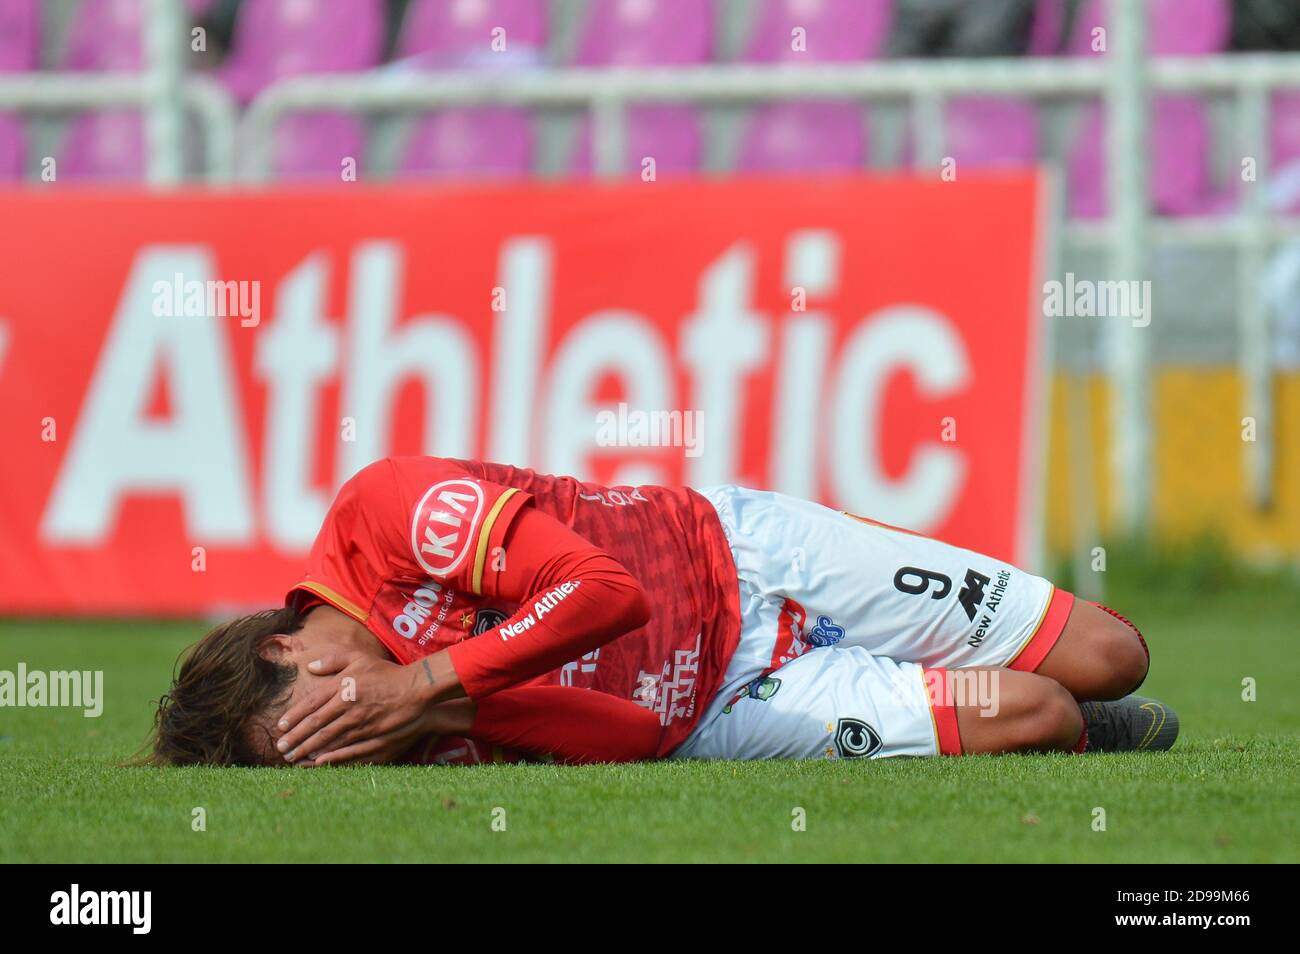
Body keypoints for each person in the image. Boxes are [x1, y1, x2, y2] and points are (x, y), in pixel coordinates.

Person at [147, 456, 1177, 767]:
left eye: (332, 703)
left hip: (746, 555)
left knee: (1112, 653)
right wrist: (447, 713)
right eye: (329, 747)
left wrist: (426, 678)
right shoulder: (414, 731)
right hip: (722, 710)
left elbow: (606, 591)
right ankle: (1078, 735)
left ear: (290, 642)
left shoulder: (386, 516)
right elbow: (639, 735)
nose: (356, 723)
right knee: (1038, 716)